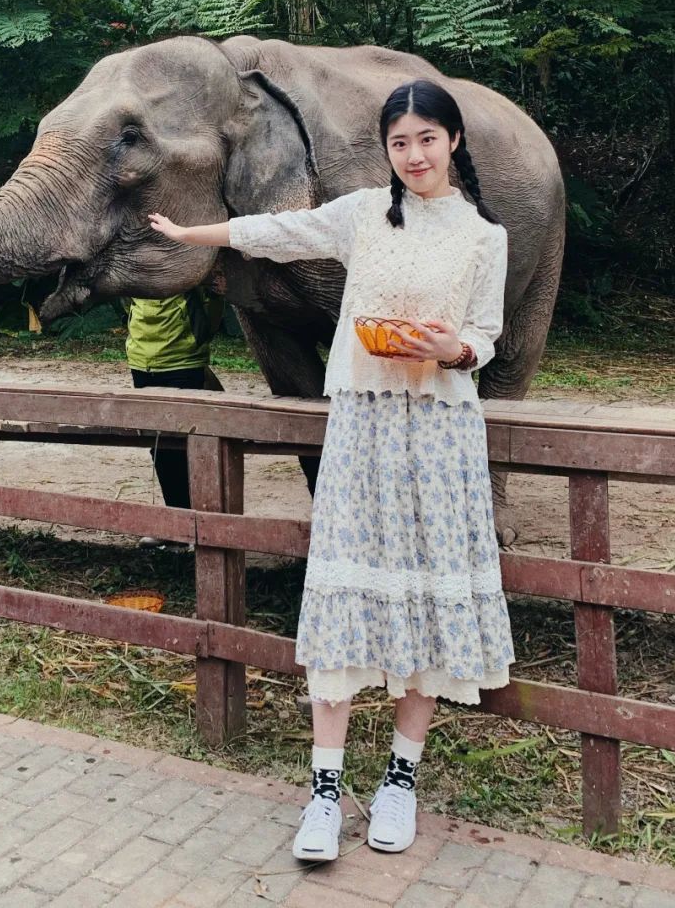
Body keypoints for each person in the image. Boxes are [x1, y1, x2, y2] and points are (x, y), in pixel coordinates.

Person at [149, 80, 512, 862]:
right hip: (362, 427)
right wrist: (192, 232)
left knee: (425, 594)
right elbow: (279, 229)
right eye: (399, 142)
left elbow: (485, 334)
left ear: (453, 141)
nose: (413, 154)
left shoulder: (486, 233)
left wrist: (450, 348)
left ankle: (401, 779)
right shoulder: (359, 216)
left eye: (426, 138)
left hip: (440, 433)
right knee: (344, 595)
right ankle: (323, 789)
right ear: (385, 151)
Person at [124, 291, 225, 519]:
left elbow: (215, 301)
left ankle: (202, 520)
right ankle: (177, 519)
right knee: (160, 445)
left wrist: (199, 334)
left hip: (183, 361)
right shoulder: (133, 262)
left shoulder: (186, 259)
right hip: (141, 362)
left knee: (193, 443)